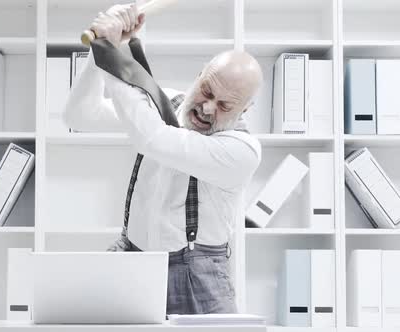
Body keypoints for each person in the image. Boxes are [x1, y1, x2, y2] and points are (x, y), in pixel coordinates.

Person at [63, 3, 263, 315]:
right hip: (133, 261)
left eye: (225, 105)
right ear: (198, 76)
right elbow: (80, 115)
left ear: (244, 111)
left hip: (199, 280)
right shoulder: (165, 102)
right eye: (207, 91)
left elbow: (153, 138)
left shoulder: (241, 151)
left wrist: (111, 50)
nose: (208, 108)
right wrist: (98, 50)